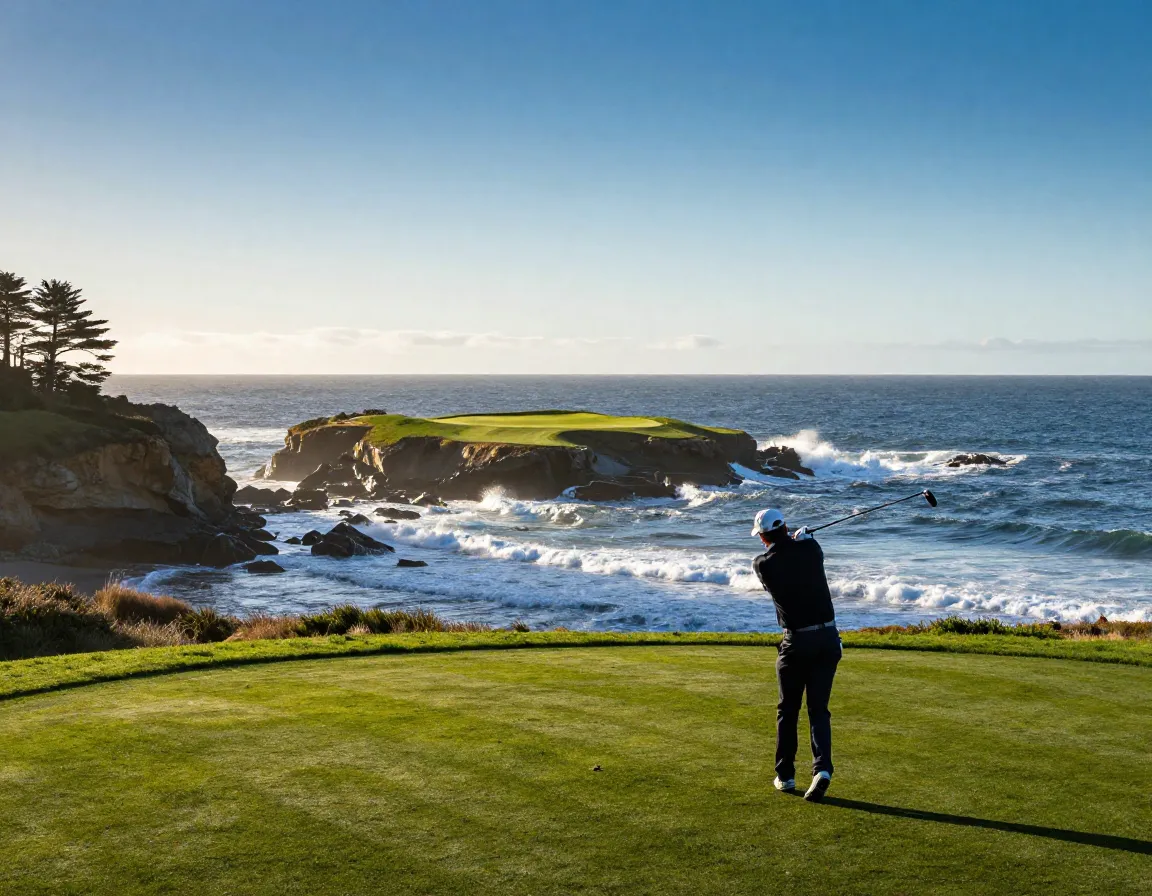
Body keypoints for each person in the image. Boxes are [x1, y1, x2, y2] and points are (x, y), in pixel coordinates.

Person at [750, 508, 841, 802]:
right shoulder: (811, 550)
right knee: (819, 709)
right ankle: (822, 769)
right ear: (786, 527)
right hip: (828, 637)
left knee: (788, 710)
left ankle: (786, 776)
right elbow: (808, 555)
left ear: (763, 537)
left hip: (796, 642)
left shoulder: (762, 564)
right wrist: (803, 539)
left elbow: (780, 559)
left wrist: (792, 541)